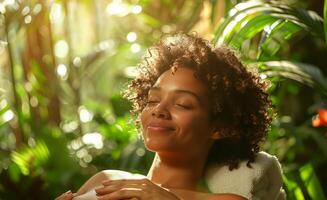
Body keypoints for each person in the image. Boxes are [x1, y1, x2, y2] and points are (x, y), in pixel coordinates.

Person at [56, 33, 273, 200]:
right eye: (152, 100)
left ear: (220, 127)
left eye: (182, 104)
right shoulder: (105, 180)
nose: (158, 109)